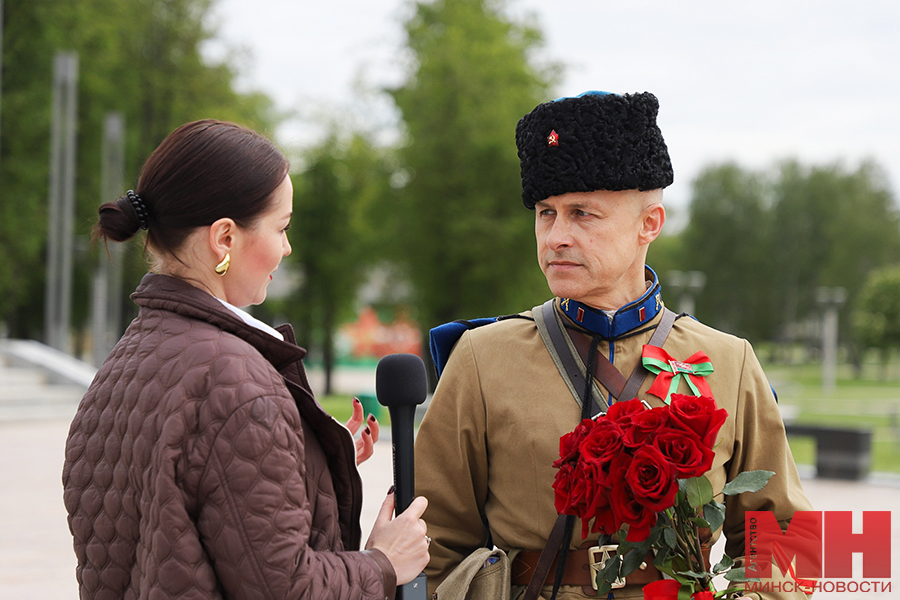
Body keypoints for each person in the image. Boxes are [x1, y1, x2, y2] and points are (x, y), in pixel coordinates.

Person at [414, 92, 813, 600]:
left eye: (582, 214)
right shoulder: (481, 358)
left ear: (649, 224)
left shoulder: (730, 362)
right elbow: (432, 541)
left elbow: (787, 536)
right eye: (545, 213)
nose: (556, 235)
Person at [62, 119, 430, 600]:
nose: (287, 247)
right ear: (225, 239)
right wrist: (383, 563)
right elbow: (286, 587)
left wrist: (313, 456)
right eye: (281, 228)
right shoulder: (238, 382)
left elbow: (194, 513)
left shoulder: (120, 368)